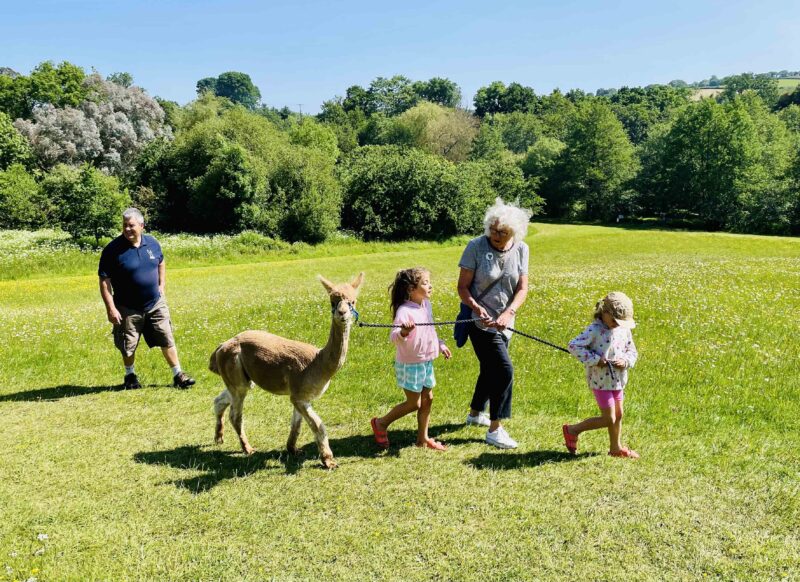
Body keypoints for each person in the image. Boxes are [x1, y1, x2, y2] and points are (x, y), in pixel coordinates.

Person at [457, 198, 531, 449]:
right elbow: (462, 287)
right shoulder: (475, 246)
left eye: (503, 232)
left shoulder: (522, 249)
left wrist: (509, 313)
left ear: (515, 232)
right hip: (480, 323)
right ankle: (495, 429)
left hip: (505, 321)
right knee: (503, 370)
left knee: (490, 368)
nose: (496, 235)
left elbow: (522, 288)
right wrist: (477, 309)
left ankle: (476, 412)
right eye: (493, 229)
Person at [98, 208, 195, 390]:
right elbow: (104, 281)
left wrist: (161, 286)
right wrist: (111, 308)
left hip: (155, 303)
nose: (127, 229)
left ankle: (178, 375)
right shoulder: (112, 250)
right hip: (127, 307)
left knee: (166, 336)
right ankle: (130, 376)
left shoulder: (152, 243)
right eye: (125, 225)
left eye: (131, 225)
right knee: (128, 344)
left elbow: (161, 262)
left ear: (141, 226)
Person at [370, 268, 452, 451]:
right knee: (414, 403)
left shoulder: (425, 305)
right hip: (410, 363)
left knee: (428, 398)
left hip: (426, 360)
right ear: (410, 289)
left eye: (429, 281)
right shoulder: (404, 311)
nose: (430, 286)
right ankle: (381, 423)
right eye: (425, 283)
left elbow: (429, 330)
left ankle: (422, 439)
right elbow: (394, 337)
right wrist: (403, 332)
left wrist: (440, 344)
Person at [562, 292, 639, 459]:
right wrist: (596, 360)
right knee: (608, 418)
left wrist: (625, 361)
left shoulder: (623, 330)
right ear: (605, 313)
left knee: (618, 415)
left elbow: (631, 351)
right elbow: (574, 346)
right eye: (614, 321)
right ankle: (572, 430)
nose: (617, 325)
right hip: (600, 381)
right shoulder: (595, 330)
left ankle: (615, 448)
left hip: (617, 380)